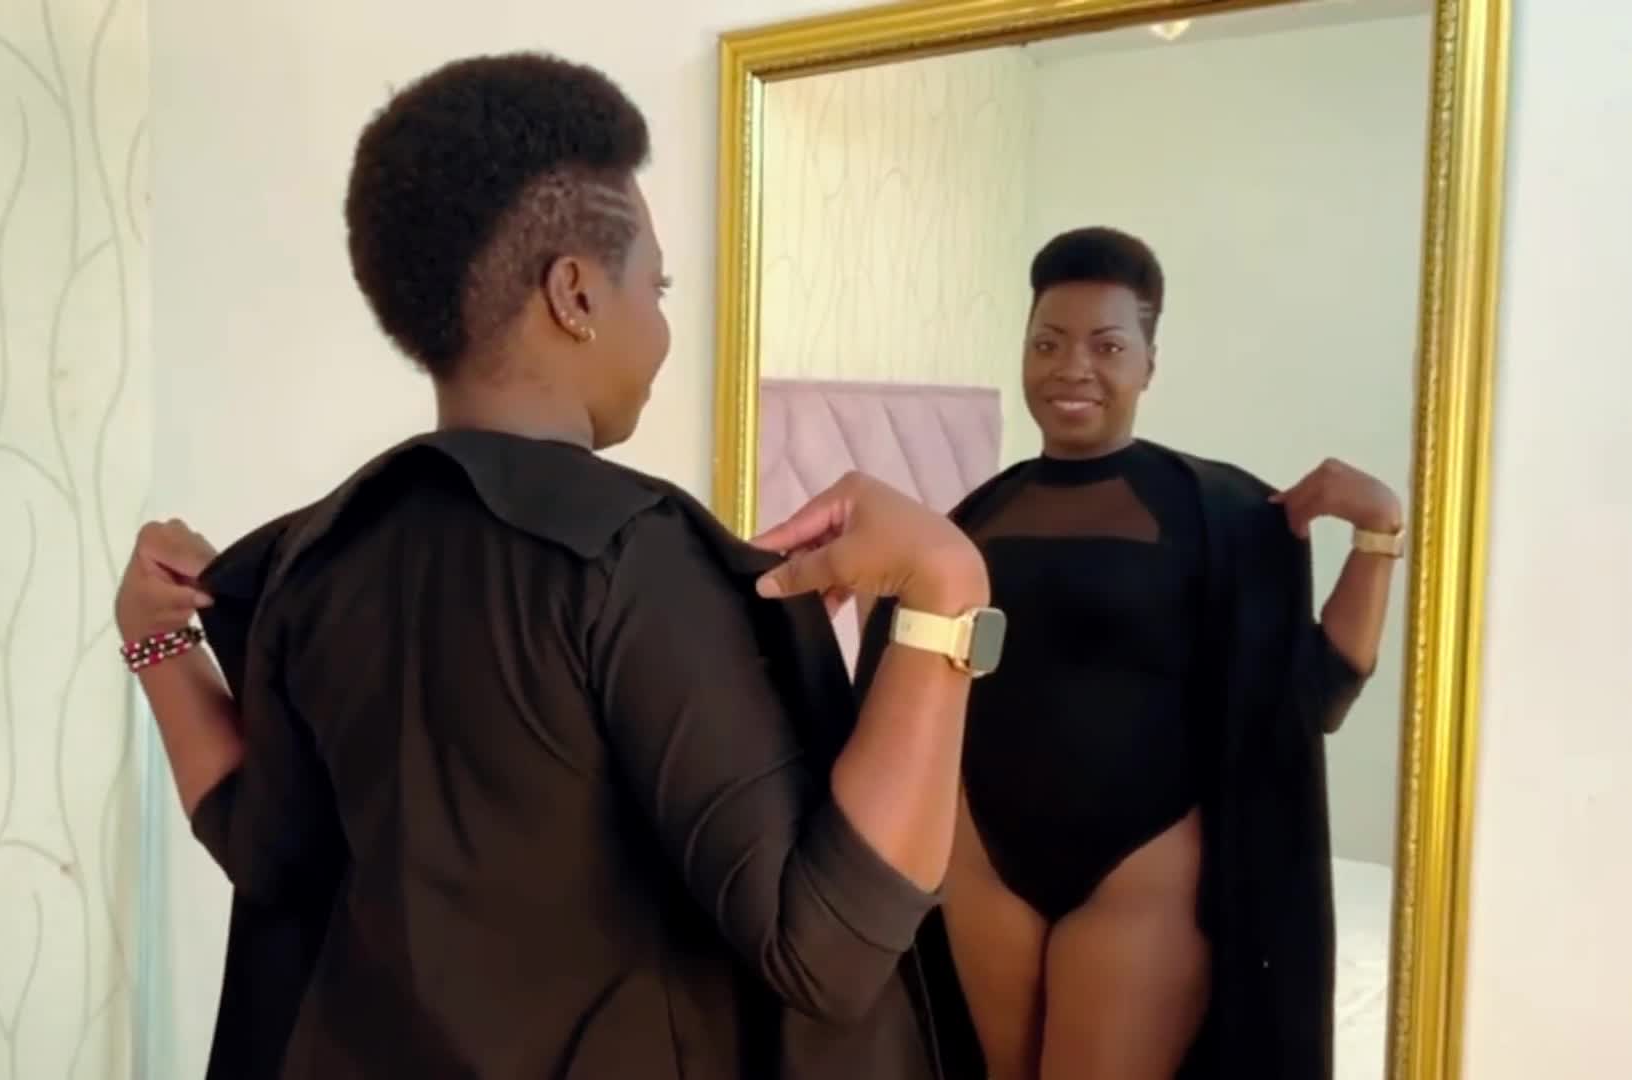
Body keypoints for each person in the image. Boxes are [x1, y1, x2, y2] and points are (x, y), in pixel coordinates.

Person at [117, 53, 998, 1080]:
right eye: (655, 287)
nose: (661, 328)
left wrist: (156, 648)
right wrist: (947, 588)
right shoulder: (628, 558)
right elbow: (828, 950)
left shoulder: (320, 559)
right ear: (575, 292)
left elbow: (269, 857)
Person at [853, 227, 1403, 1080]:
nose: (1072, 368)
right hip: (983, 862)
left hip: (1142, 866)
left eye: (1106, 346)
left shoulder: (1222, 514)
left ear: (1149, 364)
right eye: (1047, 343)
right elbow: (912, 687)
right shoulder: (969, 521)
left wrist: (1379, 534)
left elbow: (1318, 693)